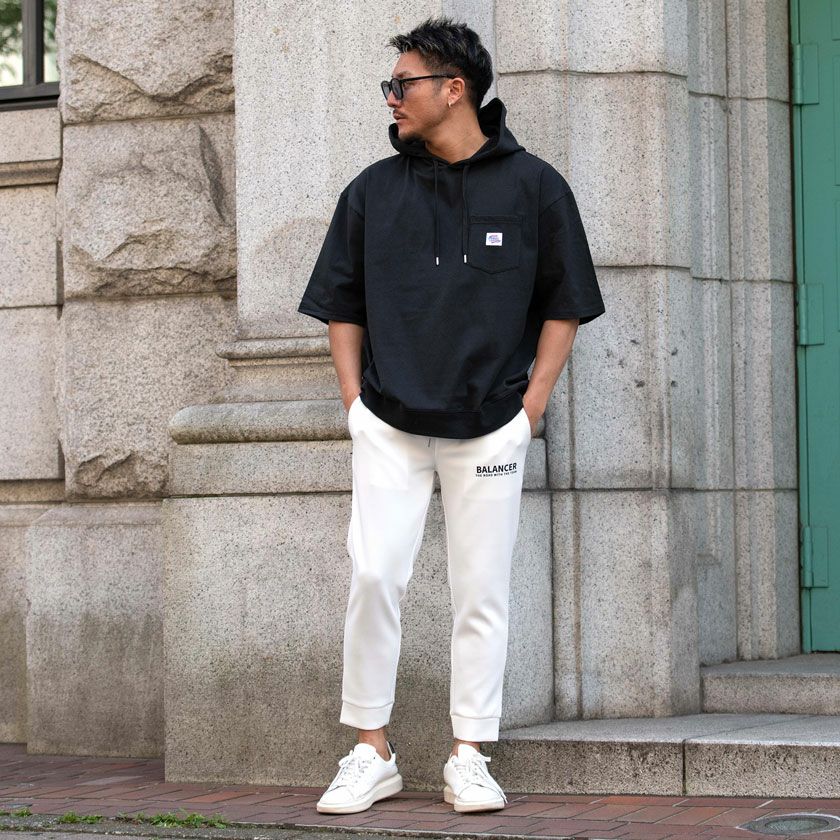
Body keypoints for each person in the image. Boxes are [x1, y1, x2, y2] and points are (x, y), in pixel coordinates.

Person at [297, 15, 605, 817]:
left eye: (403, 84)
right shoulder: (372, 191)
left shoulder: (535, 187)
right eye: (391, 85)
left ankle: (470, 755)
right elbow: (340, 304)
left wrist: (530, 409)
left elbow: (565, 304)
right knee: (374, 576)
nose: (391, 98)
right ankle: (371, 750)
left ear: (454, 88)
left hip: (492, 423)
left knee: (482, 591)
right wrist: (354, 405)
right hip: (389, 422)